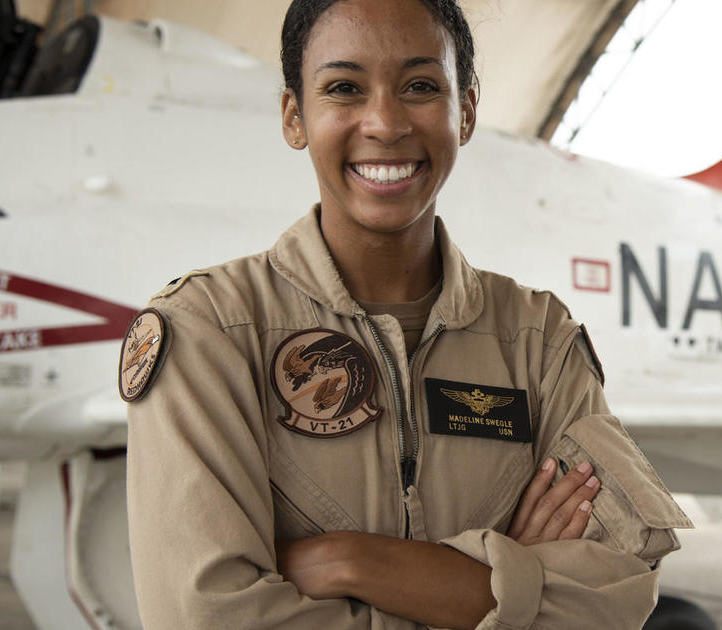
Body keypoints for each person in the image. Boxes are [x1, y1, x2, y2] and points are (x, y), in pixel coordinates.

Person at [121, 0, 691, 628]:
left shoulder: (537, 339)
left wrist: (353, 562)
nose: (385, 122)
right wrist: (502, 587)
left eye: (421, 86)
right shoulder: (210, 332)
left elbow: (617, 593)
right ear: (294, 115)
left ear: (465, 111)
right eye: (344, 88)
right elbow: (206, 617)